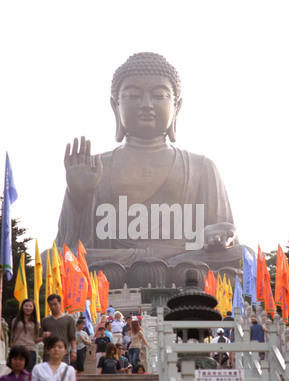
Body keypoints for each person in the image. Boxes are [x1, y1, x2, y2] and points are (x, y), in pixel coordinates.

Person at [55, 52, 249, 289]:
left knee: (244, 255)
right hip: (117, 265)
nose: (147, 104)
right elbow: (70, 247)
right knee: (56, 258)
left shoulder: (201, 166)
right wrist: (79, 198)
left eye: (159, 95)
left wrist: (219, 234)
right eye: (133, 96)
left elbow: (226, 237)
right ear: (115, 106)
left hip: (185, 260)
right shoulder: (95, 166)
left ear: (176, 106)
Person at [41, 294, 77, 364]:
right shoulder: (45, 320)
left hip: (63, 354)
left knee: (63, 374)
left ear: (60, 303)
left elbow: (72, 337)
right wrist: (44, 336)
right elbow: (43, 339)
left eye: (55, 304)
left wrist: (74, 351)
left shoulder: (69, 319)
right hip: (48, 354)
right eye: (51, 305)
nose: (53, 307)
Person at [10, 298, 42, 372]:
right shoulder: (15, 321)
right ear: (22, 307)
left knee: (28, 374)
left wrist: (43, 338)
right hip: (17, 348)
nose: (28, 308)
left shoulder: (36, 323)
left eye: (30, 306)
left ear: (33, 308)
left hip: (30, 350)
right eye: (26, 306)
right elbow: (12, 336)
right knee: (16, 372)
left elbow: (35, 339)